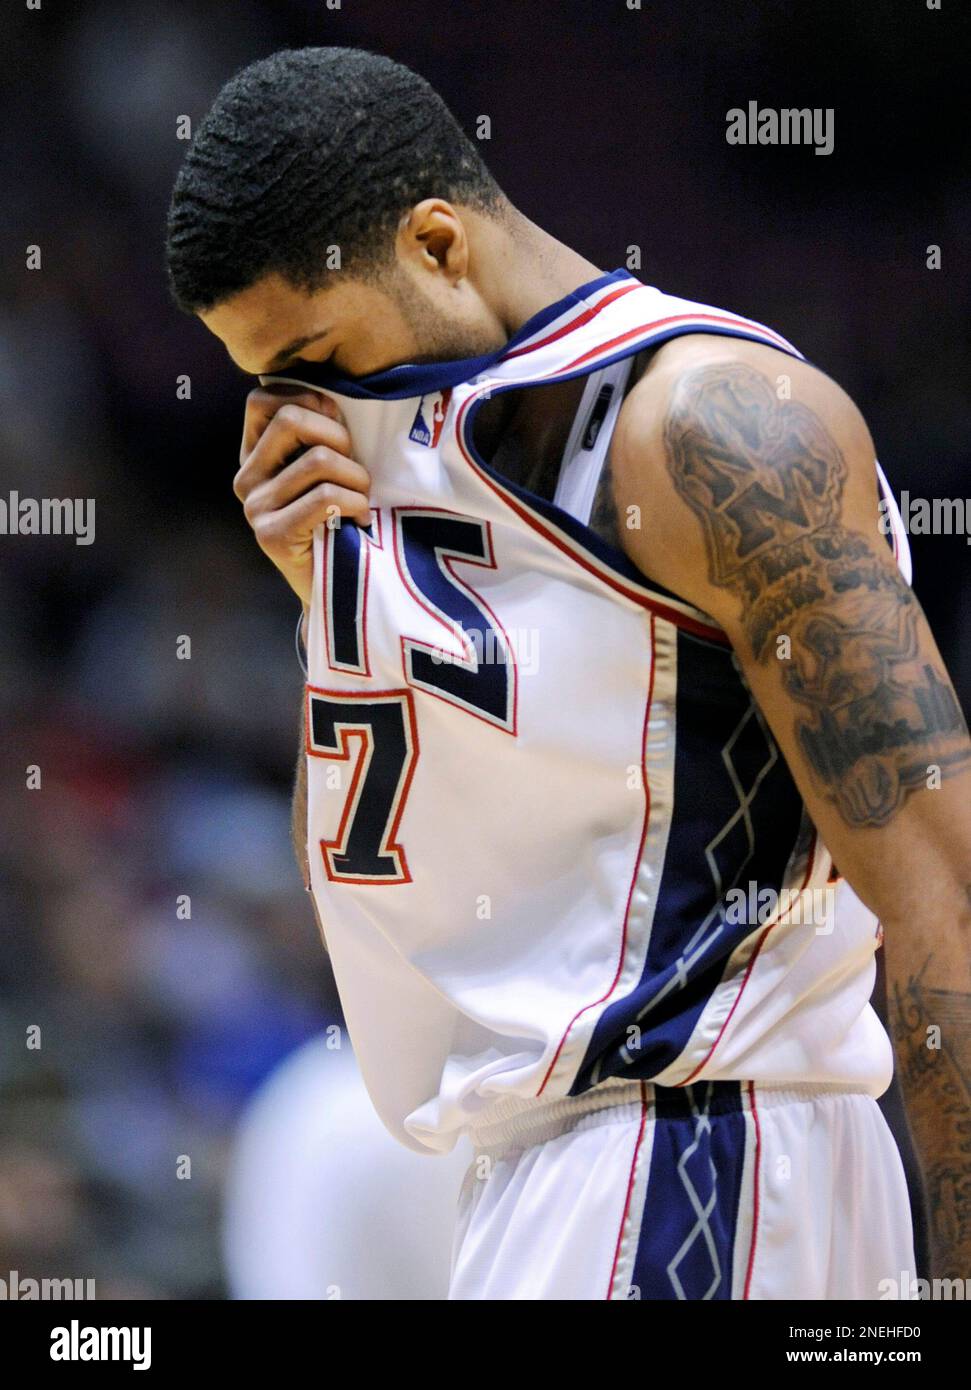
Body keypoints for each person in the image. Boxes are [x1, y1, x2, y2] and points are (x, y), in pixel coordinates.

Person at [166, 47, 970, 1300]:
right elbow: (406, 885)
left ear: (437, 246)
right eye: (267, 375)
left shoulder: (715, 427)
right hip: (538, 1175)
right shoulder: (388, 478)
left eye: (319, 351)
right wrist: (332, 617)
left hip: (705, 1151)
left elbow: (944, 892)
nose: (299, 403)